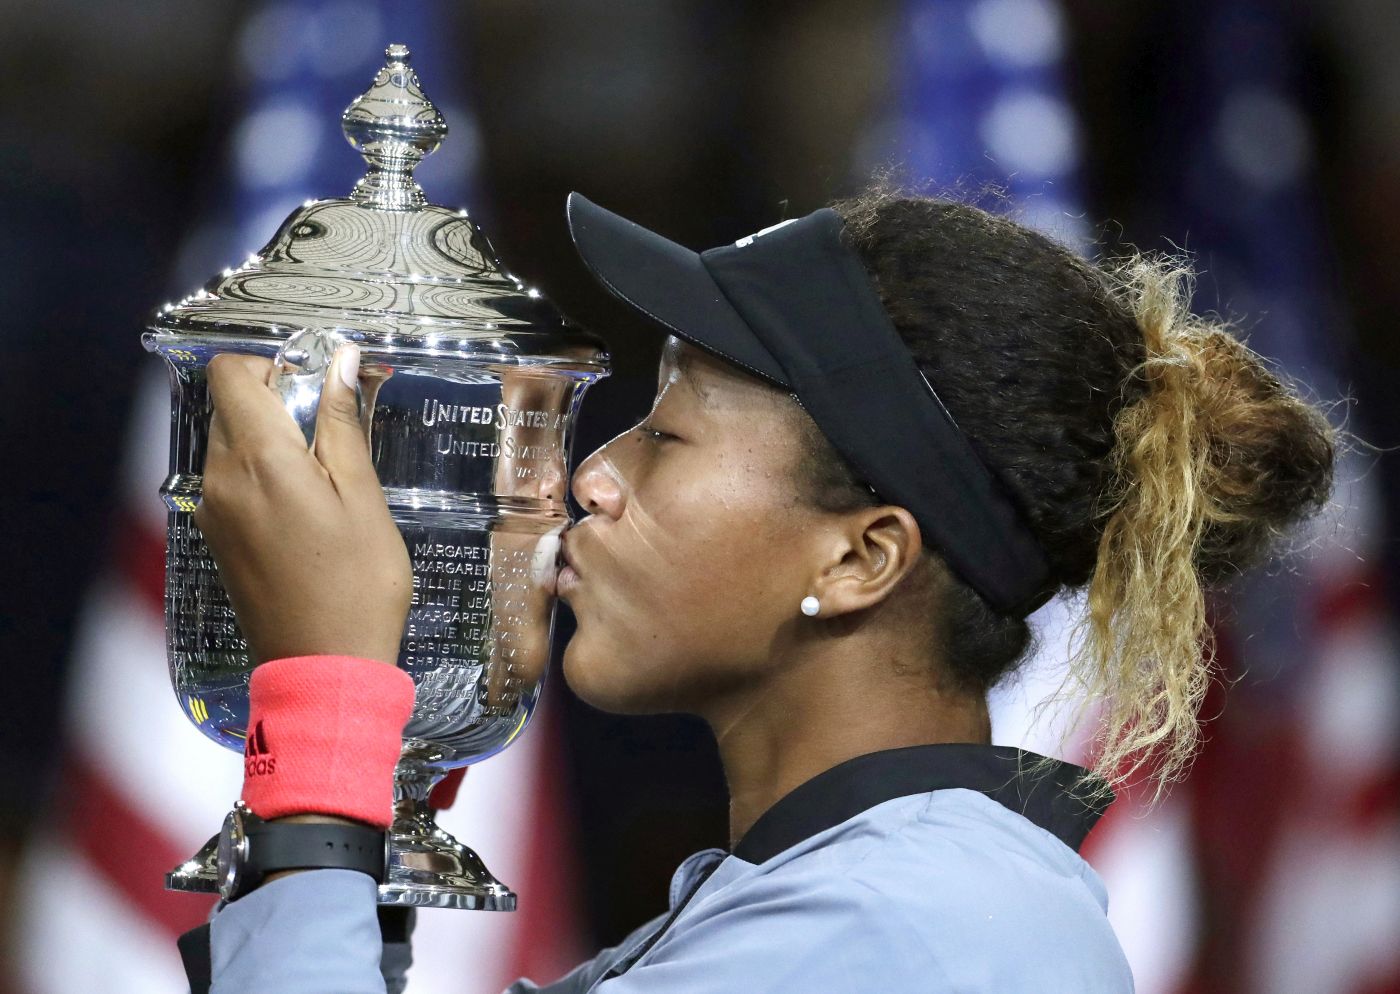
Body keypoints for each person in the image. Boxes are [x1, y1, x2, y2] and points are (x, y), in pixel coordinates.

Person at [182, 188, 1338, 993]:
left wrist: (329, 705)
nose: (592, 476)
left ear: (856, 558)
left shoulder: (905, 924)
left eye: (667, 435)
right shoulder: (859, 892)